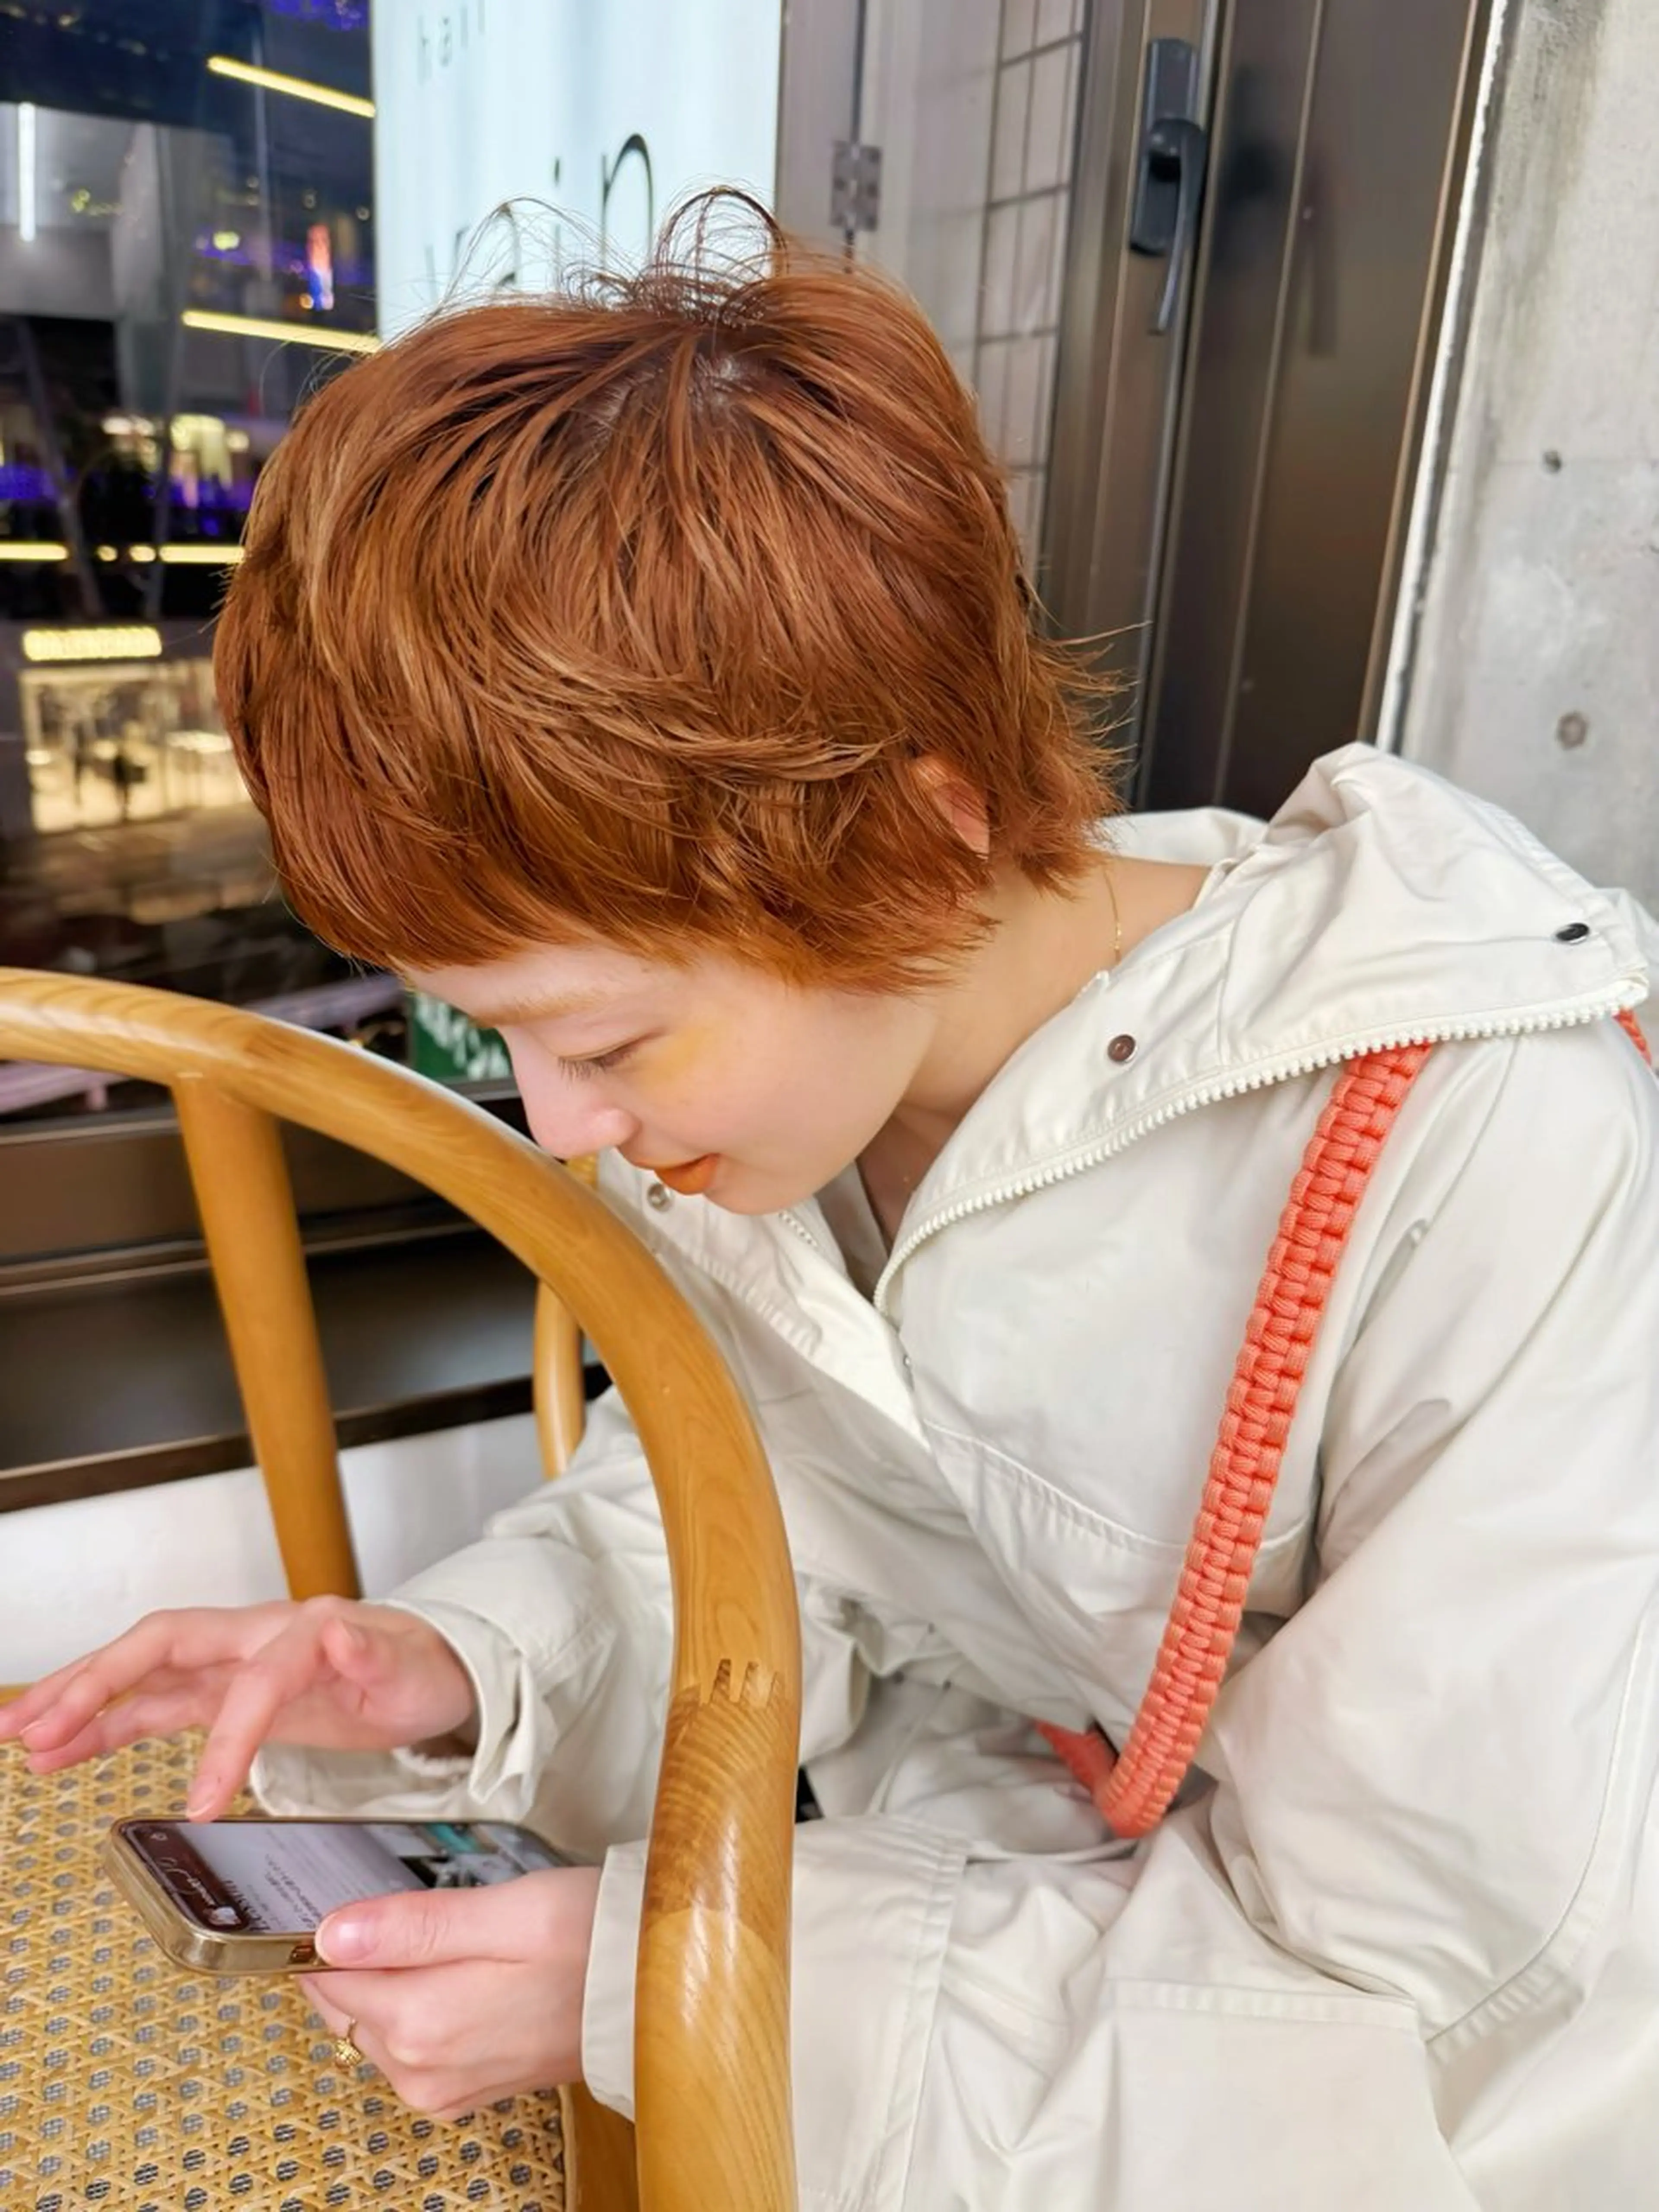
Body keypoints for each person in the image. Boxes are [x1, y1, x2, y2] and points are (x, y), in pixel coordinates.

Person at [5, 200, 1658, 2209]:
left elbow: (1445, 2019)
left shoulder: (1491, 1149)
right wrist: (456, 1659)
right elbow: (769, 1513)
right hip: (1021, 1936)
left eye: (608, 1034)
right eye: (493, 1043)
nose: (563, 1129)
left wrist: (678, 1979)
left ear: (914, 825)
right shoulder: (800, 1096)